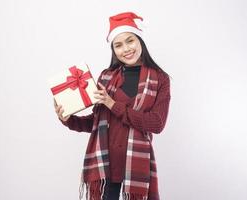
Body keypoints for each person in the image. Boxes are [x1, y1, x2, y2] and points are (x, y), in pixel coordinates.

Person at [54, 12, 170, 200]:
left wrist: (112, 103)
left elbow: (156, 124)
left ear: (140, 40)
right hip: (106, 164)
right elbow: (95, 121)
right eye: (118, 45)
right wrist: (68, 119)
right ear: (113, 50)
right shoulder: (106, 77)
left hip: (138, 165)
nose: (126, 49)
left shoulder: (160, 79)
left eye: (130, 41)